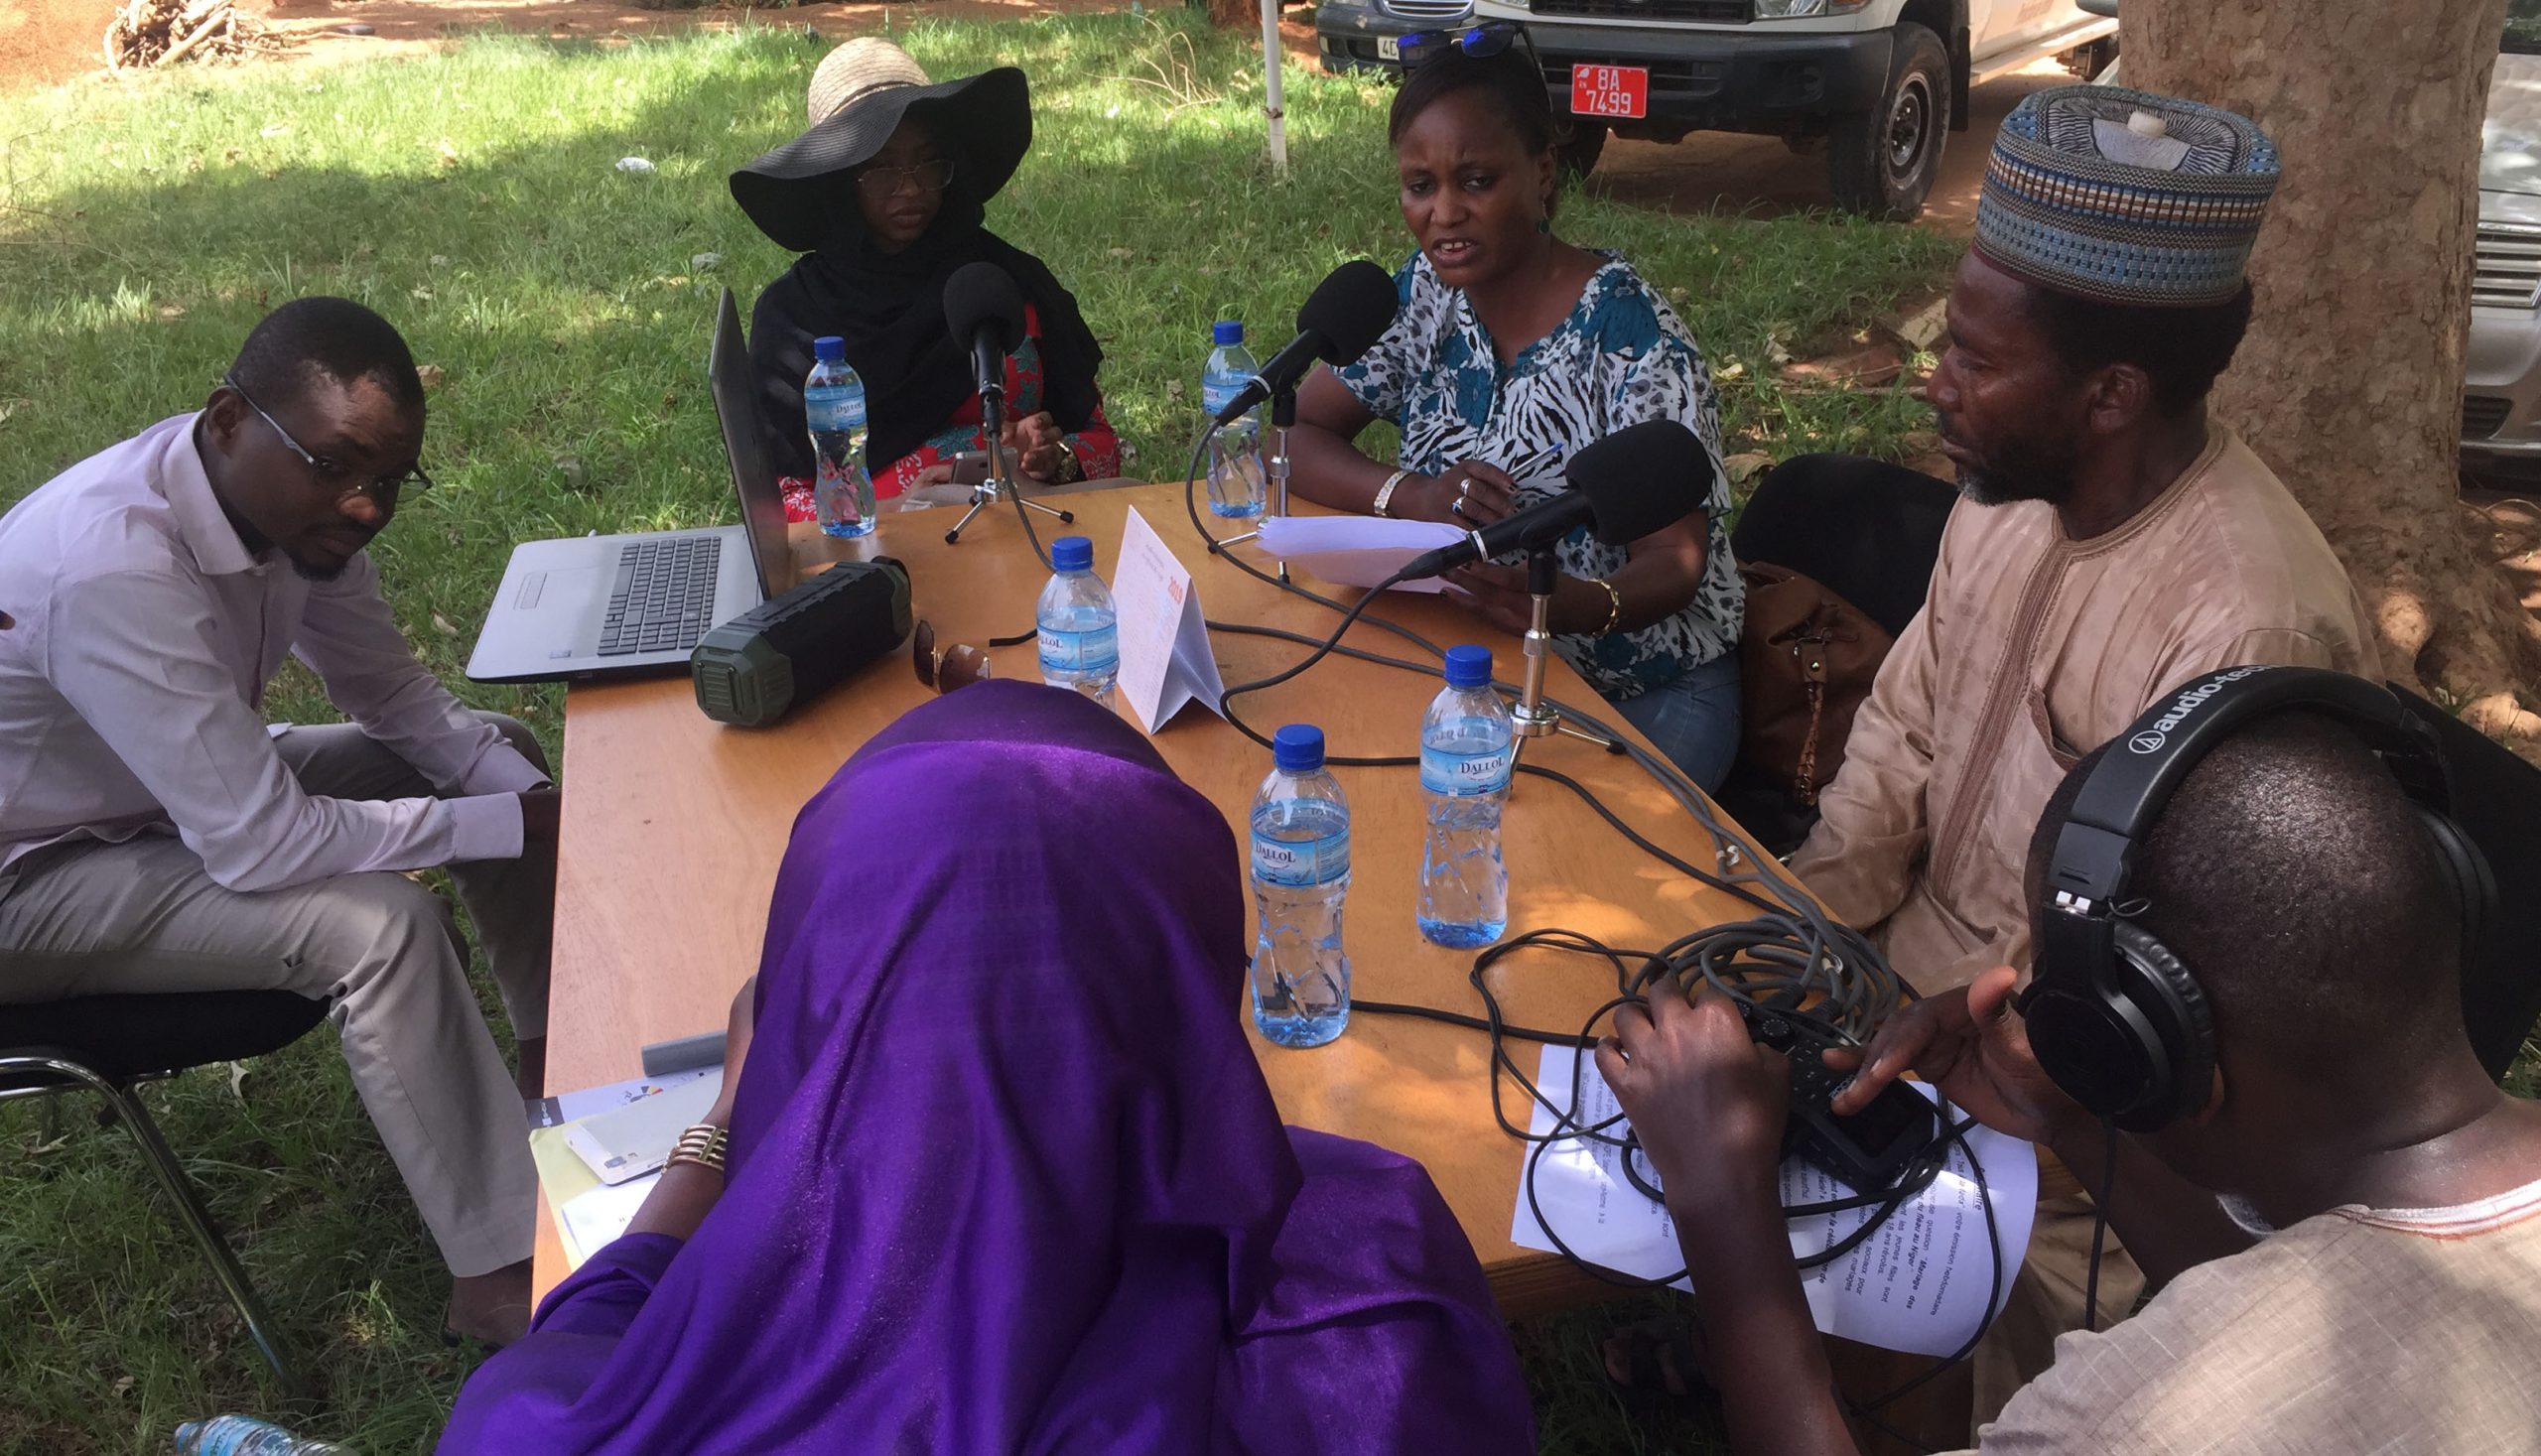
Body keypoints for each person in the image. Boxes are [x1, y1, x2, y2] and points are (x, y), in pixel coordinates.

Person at [438, 682, 1537, 1454]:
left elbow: (599, 1316)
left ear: (806, 1005)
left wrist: (729, 1114)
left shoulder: (545, 1430)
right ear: (1191, 998)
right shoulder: (1374, 1316)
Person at [1763, 88, 2382, 1412]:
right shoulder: (2001, 502)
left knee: (1933, 1367)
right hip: (1897, 983)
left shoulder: (2248, 620)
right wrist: (1796, 927)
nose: (1937, 380)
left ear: (2109, 394)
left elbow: (2166, 990)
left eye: (1977, 363)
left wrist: (1971, 1044)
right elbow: (1901, 733)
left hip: (2084, 1117)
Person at [1599, 696, 2541, 1454]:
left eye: (2066, 1005)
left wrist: (1722, 1194)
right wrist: (2074, 1118)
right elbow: (2315, 1309)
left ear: (2158, 1058)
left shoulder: (2133, 1415)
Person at [0, 298, 556, 1346]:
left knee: (498, 755)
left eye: (389, 481)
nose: (362, 508)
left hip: (147, 799)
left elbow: (394, 702)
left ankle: (555, 1069)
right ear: (227, 421)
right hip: (26, 880)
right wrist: (501, 831)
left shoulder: (302, 528)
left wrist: (518, 799)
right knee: (376, 925)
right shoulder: (114, 563)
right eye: (335, 466)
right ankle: (504, 1270)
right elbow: (259, 843)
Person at [1285, 26, 1746, 790]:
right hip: (1481, 668)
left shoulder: (1630, 335)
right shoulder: (1426, 294)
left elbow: (1677, 562)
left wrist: (1568, 606)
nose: (1444, 214)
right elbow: (1298, 429)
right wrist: (1411, 496)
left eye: (1475, 180)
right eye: (1420, 186)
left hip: (1646, 689)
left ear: (1542, 172)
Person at [732, 38, 1122, 518]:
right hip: (885, 562)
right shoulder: (794, 320)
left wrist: (1053, 460)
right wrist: (900, 506)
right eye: (882, 170)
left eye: (927, 162)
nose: (912, 187)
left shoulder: (1002, 281)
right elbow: (781, 505)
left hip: (1036, 535)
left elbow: (1103, 443)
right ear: (838, 181)